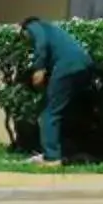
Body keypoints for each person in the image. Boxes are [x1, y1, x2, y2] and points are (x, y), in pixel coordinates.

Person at [19, 17, 91, 167]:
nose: (24, 41)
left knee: (49, 112)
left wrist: (39, 67)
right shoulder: (52, 30)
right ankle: (62, 152)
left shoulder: (34, 25)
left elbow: (41, 43)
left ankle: (52, 158)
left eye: (22, 36)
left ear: (24, 28)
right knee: (62, 110)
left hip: (67, 64)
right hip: (83, 63)